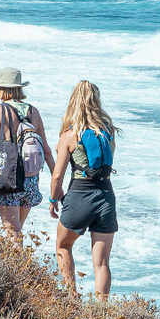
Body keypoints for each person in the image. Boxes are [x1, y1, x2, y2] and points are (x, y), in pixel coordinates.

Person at [48, 80, 119, 299]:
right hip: (106, 196)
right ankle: (102, 312)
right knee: (102, 263)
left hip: (80, 195)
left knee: (63, 245)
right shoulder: (109, 133)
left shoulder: (70, 135)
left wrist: (52, 201)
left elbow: (57, 174)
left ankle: (72, 298)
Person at [0, 68, 52, 235]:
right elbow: (46, 150)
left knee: (12, 233)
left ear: (1, 89)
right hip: (31, 180)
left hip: (10, 179)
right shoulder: (33, 111)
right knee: (16, 231)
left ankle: (17, 262)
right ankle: (18, 262)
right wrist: (57, 183)